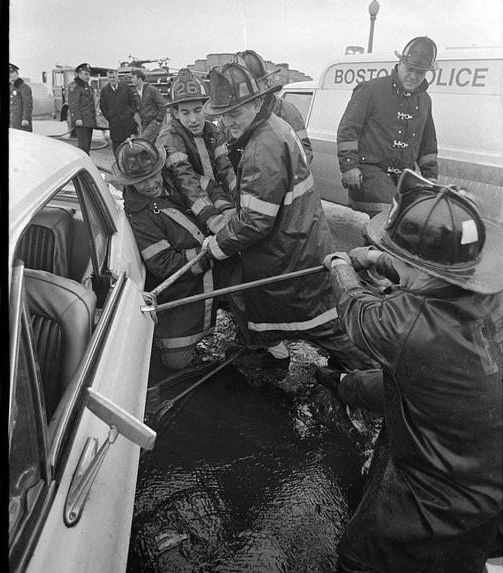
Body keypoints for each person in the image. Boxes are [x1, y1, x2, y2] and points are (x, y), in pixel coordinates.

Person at [318, 169, 503, 573]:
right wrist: (378, 259)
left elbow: (357, 310)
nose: (388, 258)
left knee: (363, 564)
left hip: (453, 488)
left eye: (394, 255)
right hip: (488, 458)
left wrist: (342, 264)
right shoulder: (482, 299)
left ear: (421, 270)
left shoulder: (405, 326)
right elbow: (398, 383)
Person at [201, 62, 378, 372]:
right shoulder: (275, 125)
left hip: (287, 254)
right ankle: (277, 353)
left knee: (322, 322)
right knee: (321, 315)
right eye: (223, 116)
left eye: (234, 114)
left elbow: (255, 221)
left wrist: (216, 245)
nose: (227, 123)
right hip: (303, 239)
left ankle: (378, 380)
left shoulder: (260, 150)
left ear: (256, 103)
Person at [113, 137, 227, 370]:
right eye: (141, 181)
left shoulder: (176, 178)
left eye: (153, 174)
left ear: (160, 168)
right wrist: (209, 253)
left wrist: (224, 210)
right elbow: (163, 264)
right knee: (175, 363)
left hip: (215, 270)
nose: (151, 184)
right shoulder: (139, 215)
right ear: (129, 182)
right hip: (181, 292)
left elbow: (209, 187)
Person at [337, 36, 440, 217]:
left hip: (403, 179)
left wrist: (430, 177)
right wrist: (349, 167)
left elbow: (427, 143)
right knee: (388, 220)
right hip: (369, 175)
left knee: (404, 225)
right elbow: (348, 130)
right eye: (410, 69)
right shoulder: (370, 90)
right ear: (400, 63)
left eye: (420, 72)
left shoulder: (425, 101)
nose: (414, 76)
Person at [156, 68, 236, 236]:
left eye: (197, 111)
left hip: (215, 200)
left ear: (205, 109)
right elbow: (184, 178)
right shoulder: (170, 136)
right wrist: (211, 217)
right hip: (186, 209)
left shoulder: (213, 131)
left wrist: (238, 199)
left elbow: (226, 169)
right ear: (176, 113)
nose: (193, 119)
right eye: (185, 112)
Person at [233, 49, 314, 166]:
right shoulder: (232, 114)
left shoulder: (288, 112)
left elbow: (305, 153)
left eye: (253, 86)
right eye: (242, 88)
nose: (248, 93)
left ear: (266, 82)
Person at [99, 68, 138, 153]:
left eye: (113, 77)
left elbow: (133, 102)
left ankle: (128, 165)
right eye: (110, 77)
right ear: (107, 78)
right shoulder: (104, 91)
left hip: (126, 123)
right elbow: (103, 106)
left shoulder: (126, 88)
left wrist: (130, 113)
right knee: (117, 149)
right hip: (114, 124)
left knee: (128, 148)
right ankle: (118, 165)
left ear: (117, 77)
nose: (112, 79)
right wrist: (110, 116)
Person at [67, 62, 97, 155]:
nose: (88, 77)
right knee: (83, 148)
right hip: (82, 121)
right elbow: (73, 104)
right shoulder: (75, 86)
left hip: (88, 121)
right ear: (79, 74)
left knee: (87, 147)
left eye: (89, 74)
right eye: (86, 74)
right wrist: (78, 118)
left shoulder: (87, 86)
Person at [131, 68, 169, 142]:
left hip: (154, 122)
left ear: (139, 79)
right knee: (150, 145)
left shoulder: (152, 90)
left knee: (143, 142)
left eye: (133, 78)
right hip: (144, 123)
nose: (131, 80)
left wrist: (158, 120)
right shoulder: (136, 93)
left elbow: (163, 105)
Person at [9, 63, 33, 132]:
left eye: (11, 72)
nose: (10, 75)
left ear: (17, 73)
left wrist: (25, 119)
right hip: (12, 121)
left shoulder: (24, 87)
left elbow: (27, 105)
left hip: (20, 122)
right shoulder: (10, 87)